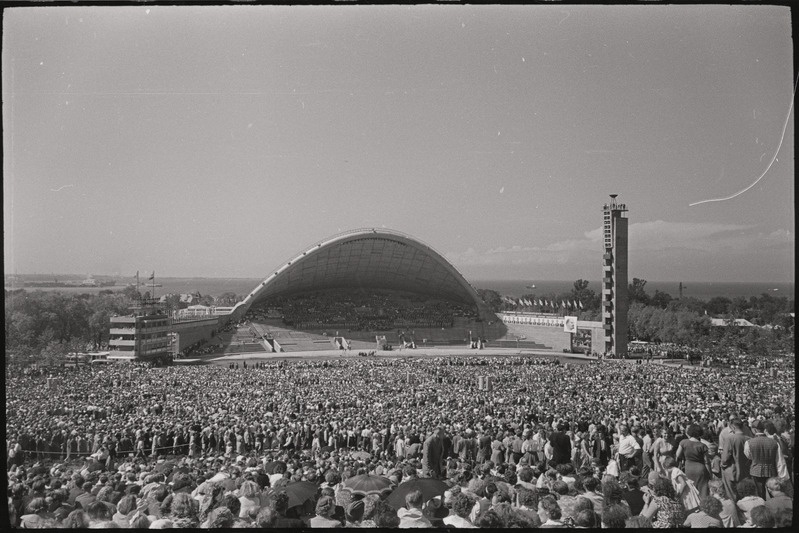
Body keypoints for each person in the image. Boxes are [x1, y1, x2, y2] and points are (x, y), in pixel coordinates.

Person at [744, 419, 780, 499]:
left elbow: (749, 456)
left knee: (760, 493)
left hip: (756, 470)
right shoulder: (774, 442)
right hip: (771, 469)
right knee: (772, 491)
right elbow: (777, 458)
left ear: (754, 429)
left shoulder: (749, 442)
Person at [676, 423, 712, 500]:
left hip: (688, 468)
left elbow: (678, 455)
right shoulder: (702, 445)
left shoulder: (683, 442)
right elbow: (707, 462)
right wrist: (710, 473)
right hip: (700, 469)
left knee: (691, 489)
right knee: (703, 490)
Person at [721, 418, 751, 501]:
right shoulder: (748, 439)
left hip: (732, 471)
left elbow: (725, 458)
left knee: (732, 496)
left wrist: (723, 465)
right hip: (746, 471)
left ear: (733, 427)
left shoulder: (730, 439)